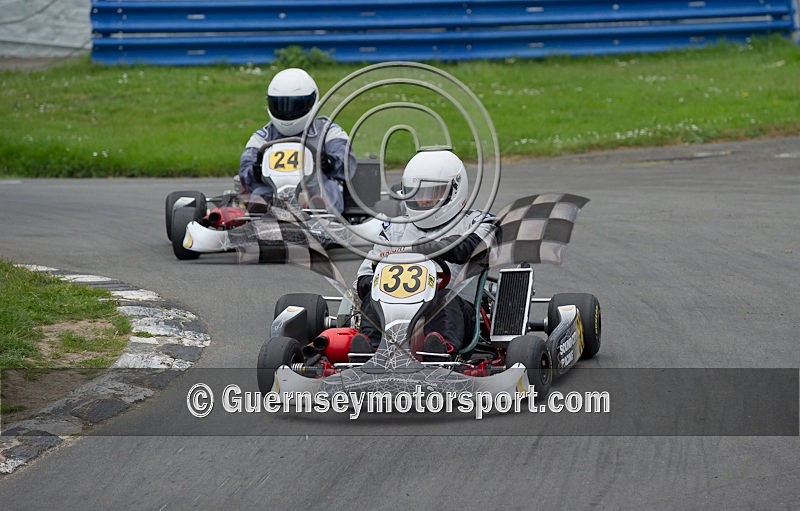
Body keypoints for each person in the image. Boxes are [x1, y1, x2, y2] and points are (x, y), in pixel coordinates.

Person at [350, 149, 498, 361]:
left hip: (454, 308)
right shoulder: (395, 229)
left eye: (433, 193)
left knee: (445, 298)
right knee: (373, 299)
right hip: (393, 312)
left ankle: (439, 351)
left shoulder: (478, 222)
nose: (425, 201)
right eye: (417, 193)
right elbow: (363, 279)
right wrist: (376, 281)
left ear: (455, 190)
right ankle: (370, 353)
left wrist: (431, 248)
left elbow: (475, 247)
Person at [238, 68, 356, 212]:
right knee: (259, 194)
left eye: (296, 105)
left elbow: (347, 162)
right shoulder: (262, 137)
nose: (288, 112)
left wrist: (330, 162)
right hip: (273, 190)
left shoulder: (328, 131)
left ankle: (318, 210)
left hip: (314, 188)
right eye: (280, 105)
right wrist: (254, 171)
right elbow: (244, 171)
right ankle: (260, 214)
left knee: (328, 188)